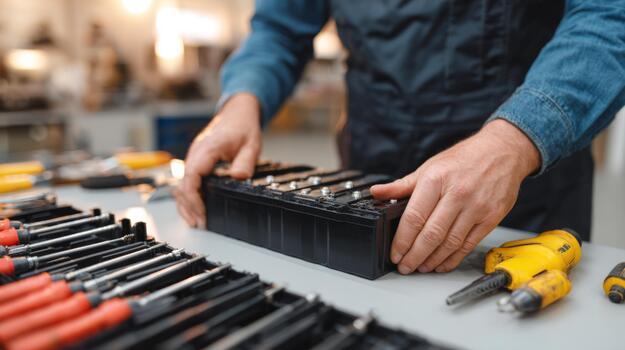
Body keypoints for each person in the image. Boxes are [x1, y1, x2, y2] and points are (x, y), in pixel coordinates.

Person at [175, 1, 625, 275]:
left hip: (519, 182)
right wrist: (240, 102)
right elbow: (278, 27)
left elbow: (609, 16)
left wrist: (517, 139)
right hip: (369, 164)